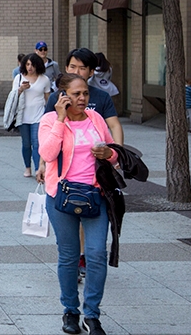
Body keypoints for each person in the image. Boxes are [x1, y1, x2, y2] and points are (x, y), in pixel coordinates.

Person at [38, 73, 117, 335]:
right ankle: (70, 311)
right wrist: (61, 119)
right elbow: (48, 154)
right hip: (61, 196)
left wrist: (110, 153)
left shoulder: (95, 119)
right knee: (69, 256)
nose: (82, 98)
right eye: (76, 94)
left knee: (96, 255)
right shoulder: (49, 120)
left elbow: (114, 155)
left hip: (96, 196)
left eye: (85, 93)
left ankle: (92, 315)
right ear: (62, 96)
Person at [13, 53, 51, 178]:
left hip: (38, 116)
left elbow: (47, 98)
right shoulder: (19, 78)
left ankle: (37, 168)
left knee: (37, 143)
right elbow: (13, 97)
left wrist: (49, 115)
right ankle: (27, 167)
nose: (30, 67)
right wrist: (20, 89)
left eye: (33, 64)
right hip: (22, 116)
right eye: (28, 64)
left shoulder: (44, 79)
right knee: (26, 143)